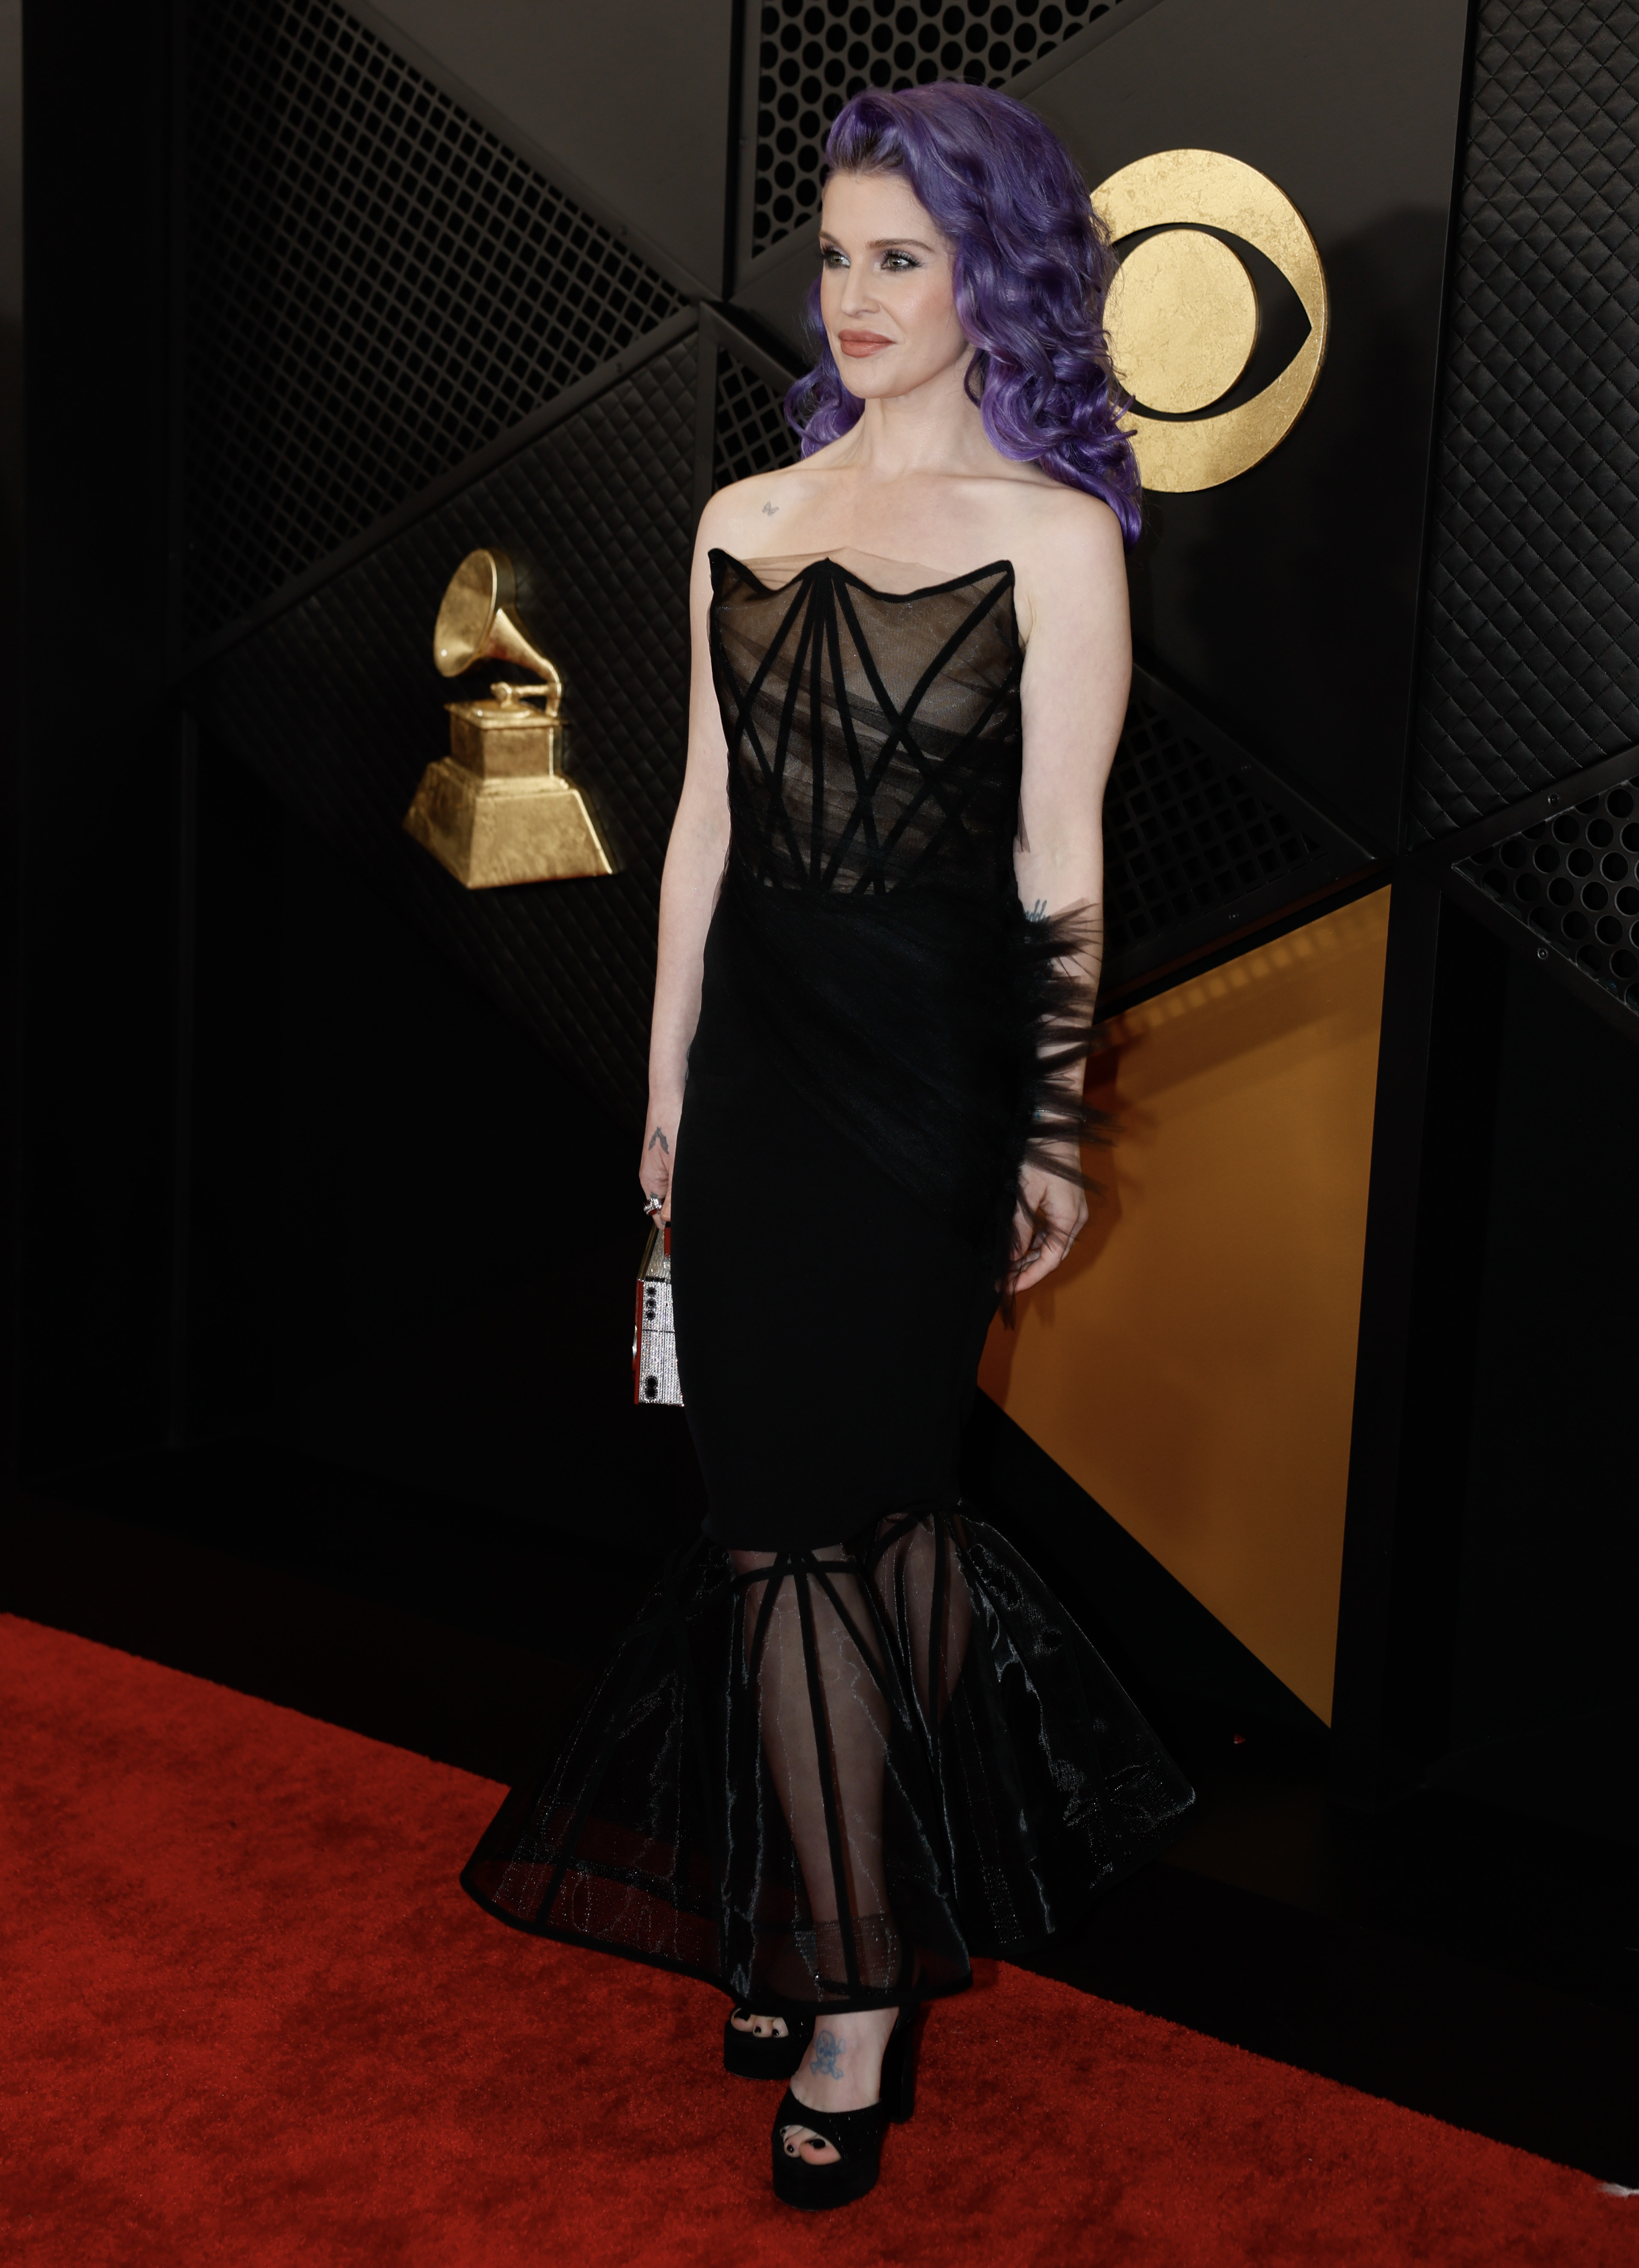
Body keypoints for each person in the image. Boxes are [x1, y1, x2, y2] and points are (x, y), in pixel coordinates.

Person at [463, 82, 1194, 2210]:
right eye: (840, 255)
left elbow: (1061, 869)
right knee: (793, 1522)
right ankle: (839, 1882)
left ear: (995, 276)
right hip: (761, 1086)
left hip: (934, 1093)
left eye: (906, 258)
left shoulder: (1059, 541)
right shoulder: (739, 519)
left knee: (844, 1526)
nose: (858, 299)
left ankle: (851, 1979)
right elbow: (697, 831)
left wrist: (1054, 1131)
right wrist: (672, 1089)